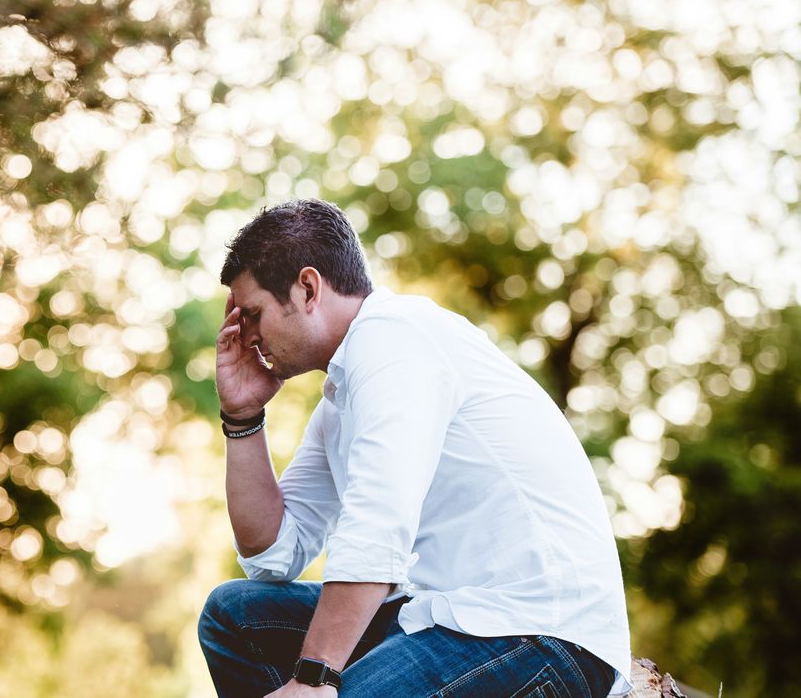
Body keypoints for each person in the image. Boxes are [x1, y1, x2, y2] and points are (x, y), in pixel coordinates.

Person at [198, 199, 632, 697]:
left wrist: (313, 678)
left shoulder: (394, 341)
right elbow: (274, 554)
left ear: (308, 288)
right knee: (235, 616)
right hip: (445, 618)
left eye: (252, 314)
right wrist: (243, 418)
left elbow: (378, 522)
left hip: (537, 633)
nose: (245, 336)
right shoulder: (340, 402)